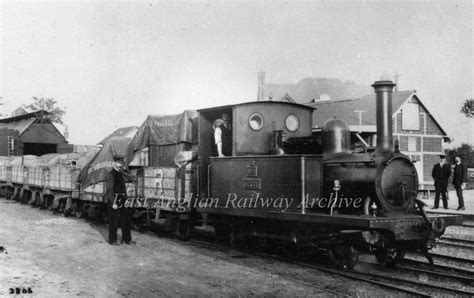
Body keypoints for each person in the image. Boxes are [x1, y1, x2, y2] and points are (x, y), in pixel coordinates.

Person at [106, 157, 133, 245]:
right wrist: (113, 202)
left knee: (125, 219)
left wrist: (123, 171)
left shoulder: (120, 173)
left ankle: (127, 239)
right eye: (118, 163)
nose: (120, 164)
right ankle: (112, 240)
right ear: (114, 163)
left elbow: (131, 178)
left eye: (121, 163)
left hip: (122, 198)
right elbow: (109, 190)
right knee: (114, 221)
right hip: (115, 199)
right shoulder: (111, 174)